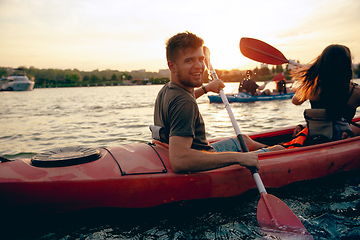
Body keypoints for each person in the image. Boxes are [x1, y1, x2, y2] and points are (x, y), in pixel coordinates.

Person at [154, 31, 284, 173]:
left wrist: (207, 88)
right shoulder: (185, 103)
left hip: (198, 151)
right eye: (189, 60)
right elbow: (179, 160)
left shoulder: (167, 90)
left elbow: (186, 98)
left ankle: (266, 149)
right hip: (202, 160)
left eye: (201, 59)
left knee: (245, 140)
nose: (199, 66)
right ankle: (286, 149)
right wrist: (238, 158)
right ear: (172, 66)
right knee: (278, 151)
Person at [291, 44, 360, 140]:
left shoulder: (312, 88)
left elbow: (295, 101)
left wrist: (310, 80)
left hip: (316, 138)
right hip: (340, 138)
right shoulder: (355, 92)